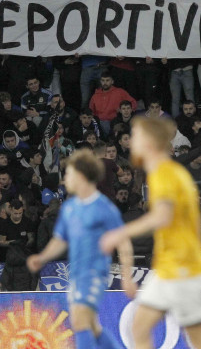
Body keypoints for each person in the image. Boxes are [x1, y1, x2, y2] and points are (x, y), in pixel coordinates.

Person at [99, 117, 201, 349]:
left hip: (181, 269)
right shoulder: (169, 171)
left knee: (193, 338)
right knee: (142, 328)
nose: (133, 142)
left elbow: (161, 216)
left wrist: (117, 234)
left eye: (137, 136)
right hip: (173, 266)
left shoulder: (163, 172)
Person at [27, 149, 134, 349]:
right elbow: (60, 239)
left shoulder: (103, 207)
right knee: (92, 325)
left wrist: (126, 274)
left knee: (80, 322)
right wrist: (42, 257)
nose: (65, 178)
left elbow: (123, 241)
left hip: (94, 271)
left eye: (69, 174)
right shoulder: (70, 207)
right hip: (77, 271)